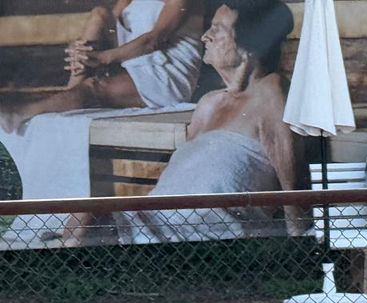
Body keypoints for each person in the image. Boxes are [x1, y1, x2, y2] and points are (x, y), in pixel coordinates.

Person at [67, 0, 304, 245]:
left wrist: (297, 239)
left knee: (84, 227)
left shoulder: (270, 91)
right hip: (162, 219)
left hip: (211, 227)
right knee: (85, 212)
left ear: (251, 44)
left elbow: (291, 178)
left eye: (217, 29)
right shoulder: (208, 104)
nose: (205, 36)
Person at [0, 0, 203, 134]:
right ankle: (73, 90)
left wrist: (103, 58)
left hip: (166, 77)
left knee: (95, 87)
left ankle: (19, 114)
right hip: (135, 63)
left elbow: (154, 40)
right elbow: (110, 26)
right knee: (99, 14)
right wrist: (80, 48)